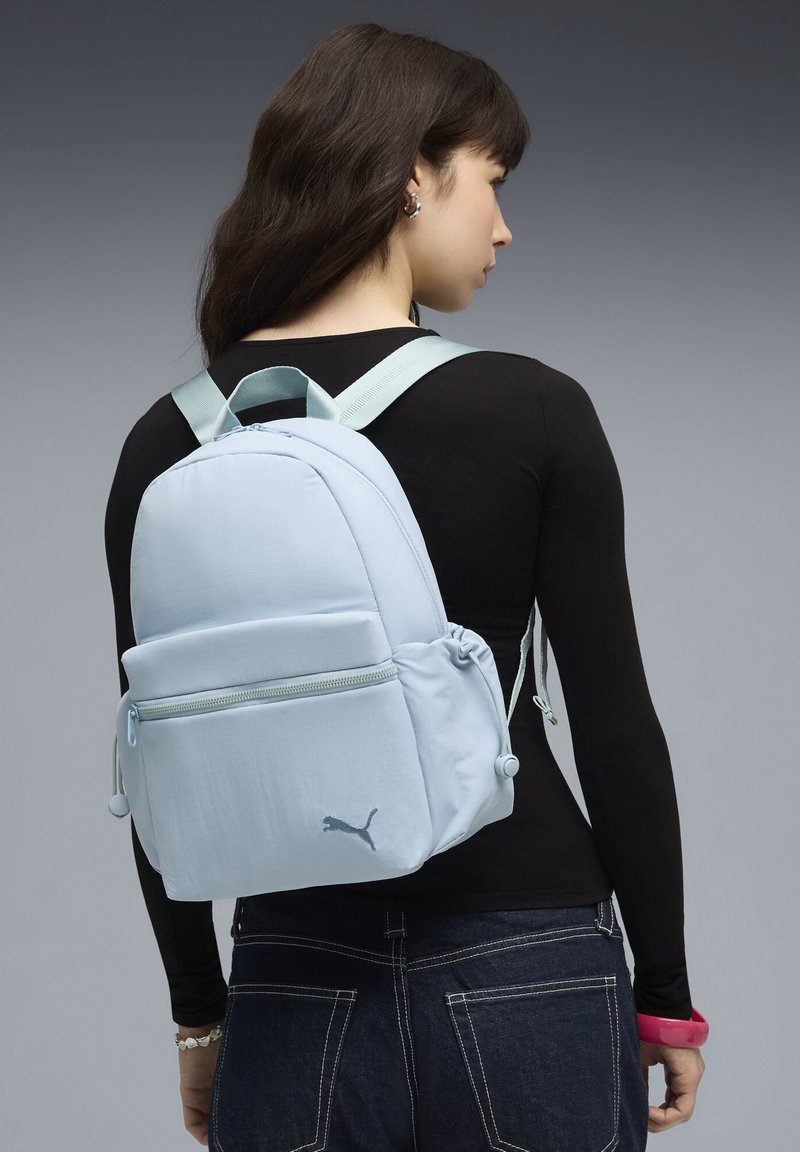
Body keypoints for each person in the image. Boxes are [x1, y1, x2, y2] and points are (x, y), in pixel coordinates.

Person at [104, 21, 706, 1151]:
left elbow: (157, 758)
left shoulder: (170, 439)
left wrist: (200, 1016)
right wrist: (665, 992)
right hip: (526, 948)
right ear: (411, 173)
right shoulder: (531, 408)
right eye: (492, 179)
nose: (503, 226)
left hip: (291, 973)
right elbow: (616, 729)